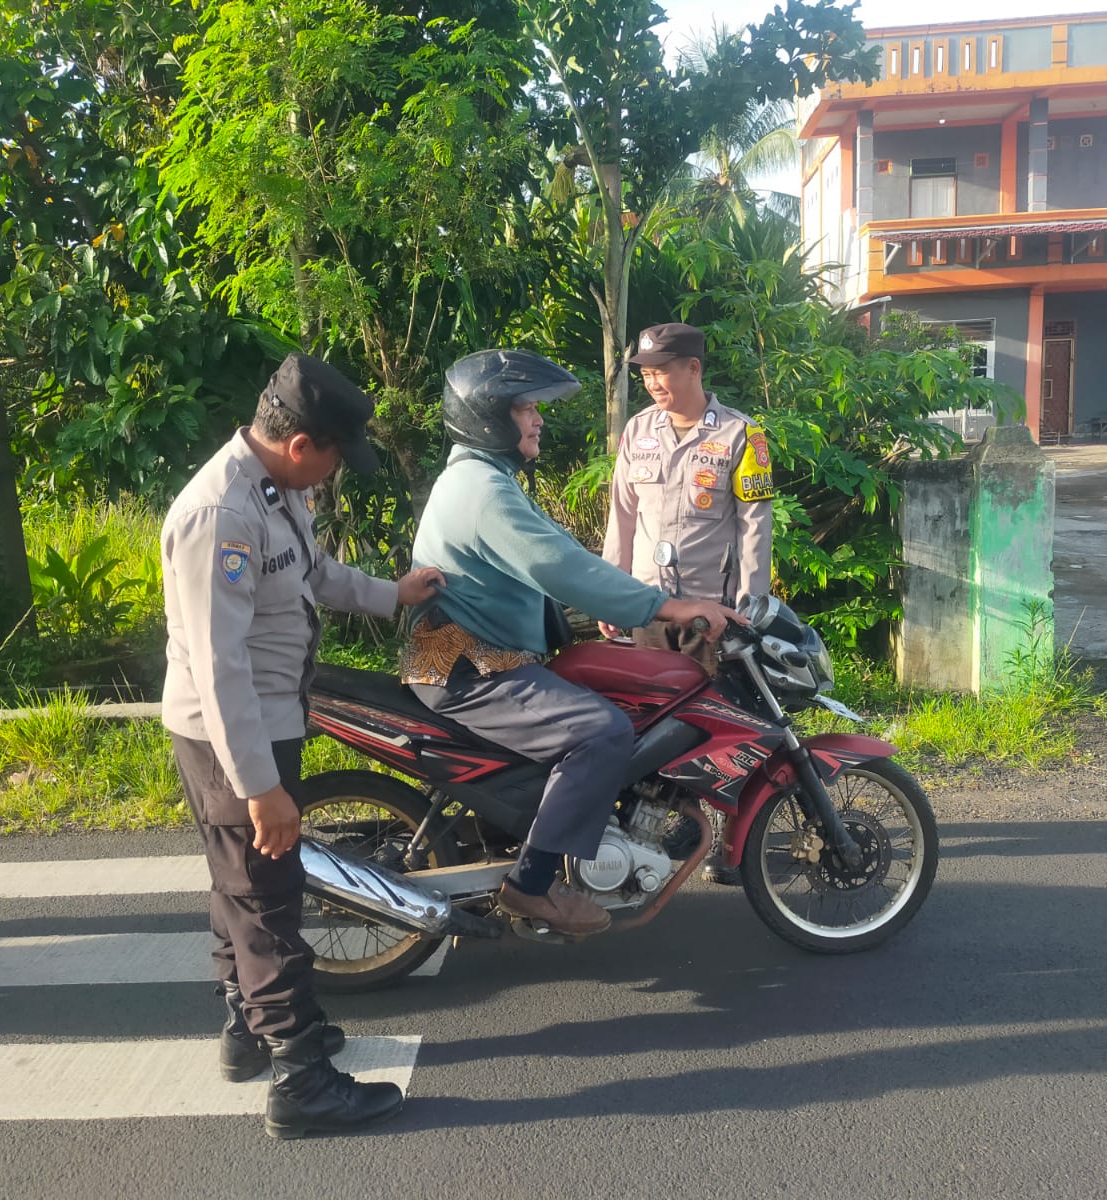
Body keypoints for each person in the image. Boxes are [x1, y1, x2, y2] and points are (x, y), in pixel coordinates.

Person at [160, 353, 445, 1140]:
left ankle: (248, 1030)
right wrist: (259, 787)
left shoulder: (274, 491)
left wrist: (392, 594)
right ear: (299, 444)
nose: (330, 477)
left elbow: (314, 575)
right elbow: (220, 669)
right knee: (267, 903)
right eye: (330, 459)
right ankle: (300, 1081)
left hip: (267, 720)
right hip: (233, 736)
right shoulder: (222, 514)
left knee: (238, 887)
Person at [401, 349, 736, 938]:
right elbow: (560, 566)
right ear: (487, 417)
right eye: (526, 407)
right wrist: (665, 605)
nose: (538, 419)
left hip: (478, 656)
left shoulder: (485, 478)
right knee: (603, 731)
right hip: (473, 668)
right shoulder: (484, 490)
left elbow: (556, 556)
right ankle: (532, 885)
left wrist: (608, 606)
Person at [599, 322, 775, 885]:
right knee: (650, 724)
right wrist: (612, 586)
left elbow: (755, 527)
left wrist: (752, 604)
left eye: (662, 370)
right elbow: (621, 516)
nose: (652, 382)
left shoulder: (745, 437)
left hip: (710, 612)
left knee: (716, 725)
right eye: (646, 372)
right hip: (648, 608)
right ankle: (654, 833)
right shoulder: (637, 431)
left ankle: (730, 839)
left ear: (693, 368)